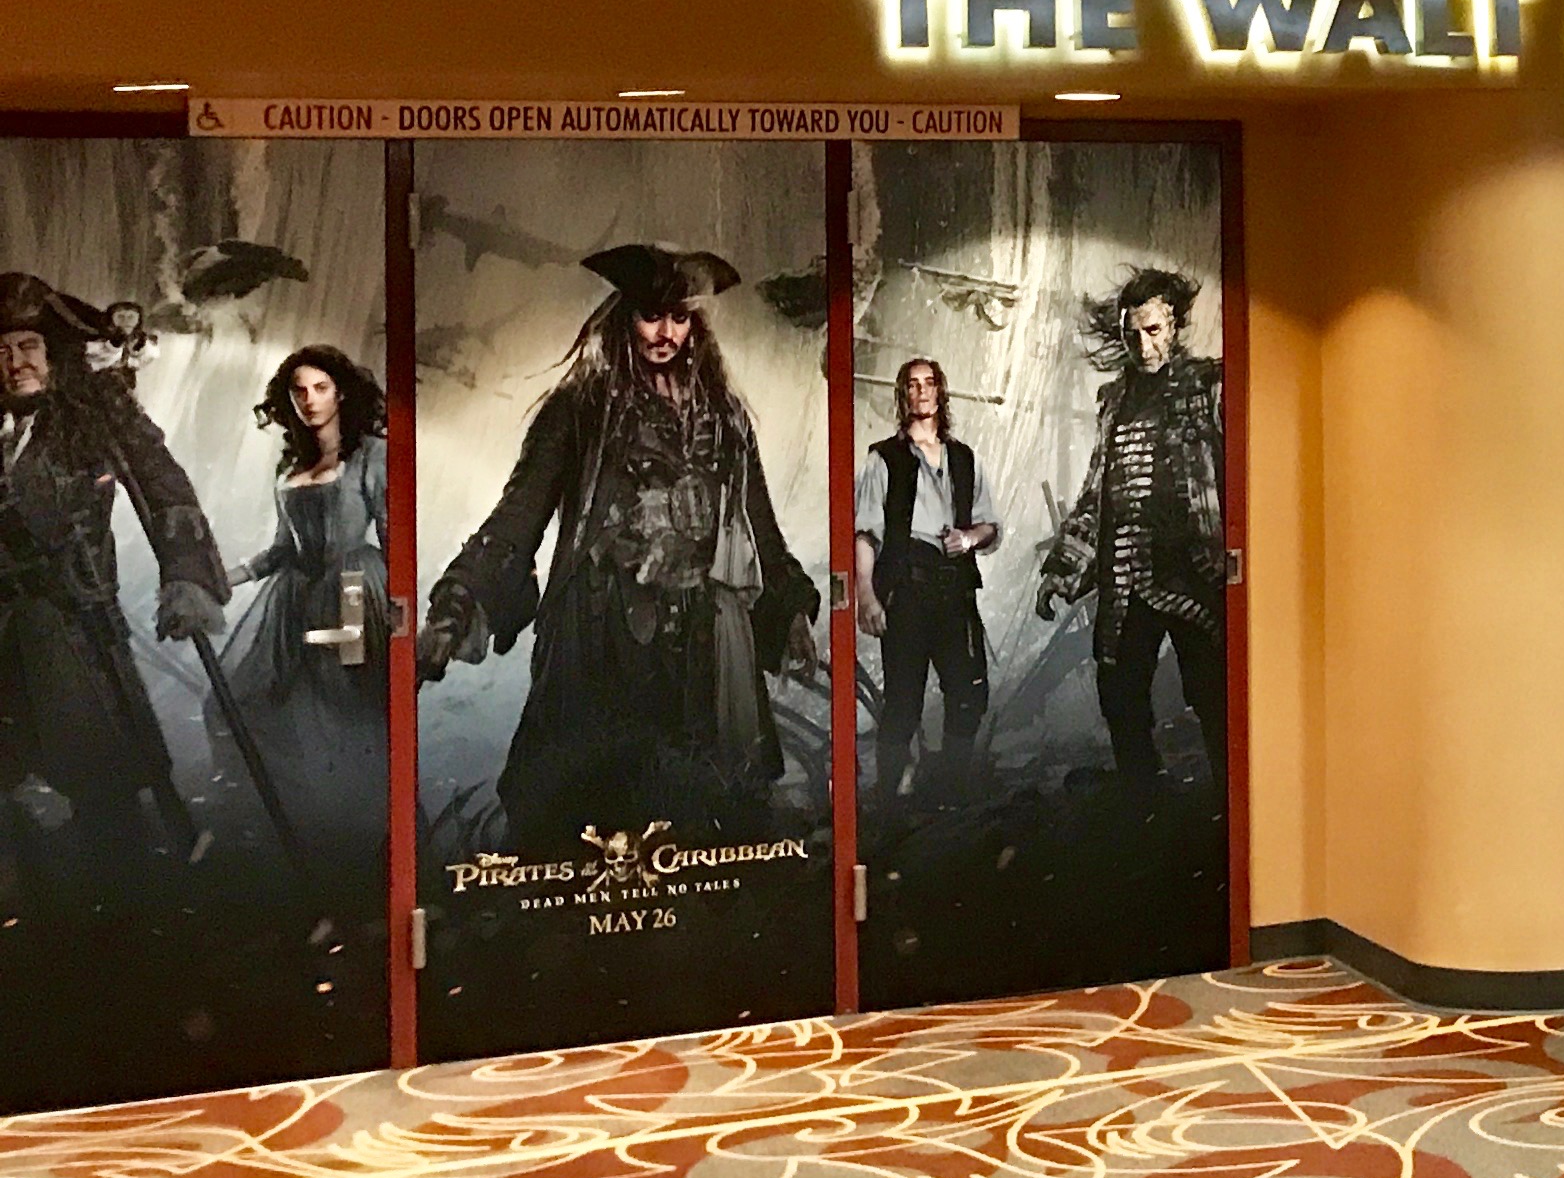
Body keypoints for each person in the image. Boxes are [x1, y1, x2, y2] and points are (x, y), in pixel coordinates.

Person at [421, 246, 816, 851]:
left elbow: (759, 526)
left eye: (680, 318)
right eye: (652, 316)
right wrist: (458, 606)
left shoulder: (725, 419)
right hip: (600, 637)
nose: (665, 333)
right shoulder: (580, 410)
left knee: (695, 825)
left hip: (697, 646)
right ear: (625, 316)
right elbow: (519, 515)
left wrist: (789, 610)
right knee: (587, 821)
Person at [0, 272, 226, 876]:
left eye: (27, 347)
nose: (14, 362)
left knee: (104, 785)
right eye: (0, 351)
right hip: (2, 640)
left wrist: (187, 576)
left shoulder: (91, 415)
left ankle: (129, 911)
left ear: (53, 353)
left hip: (72, 628)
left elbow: (163, 483)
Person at [1040, 267, 1228, 777]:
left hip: (1194, 572)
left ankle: (1228, 805)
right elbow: (1096, 492)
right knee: (1120, 694)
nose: (1144, 346)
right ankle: (1141, 804)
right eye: (1133, 334)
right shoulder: (1114, 403)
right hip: (1126, 580)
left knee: (1214, 692)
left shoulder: (1210, 387)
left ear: (1173, 327)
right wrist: (1063, 568)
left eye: (1153, 331)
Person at [223, 345, 393, 824]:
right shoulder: (289, 468)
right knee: (262, 704)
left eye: (320, 388)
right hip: (297, 598)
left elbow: (395, 537)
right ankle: (312, 825)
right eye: (299, 391)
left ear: (340, 393)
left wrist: (401, 617)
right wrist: (226, 579)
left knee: (350, 709)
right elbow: (282, 550)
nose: (310, 399)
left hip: (355, 594)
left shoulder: (370, 455)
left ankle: (379, 826)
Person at [855, 355, 996, 794]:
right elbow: (865, 533)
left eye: (928, 383)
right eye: (912, 385)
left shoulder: (964, 458)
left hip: (954, 594)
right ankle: (889, 799)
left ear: (940, 390)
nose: (921, 392)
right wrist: (867, 595)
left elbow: (990, 524)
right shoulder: (884, 459)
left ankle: (950, 789)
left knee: (968, 694)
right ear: (903, 395)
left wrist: (968, 539)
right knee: (902, 703)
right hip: (908, 593)